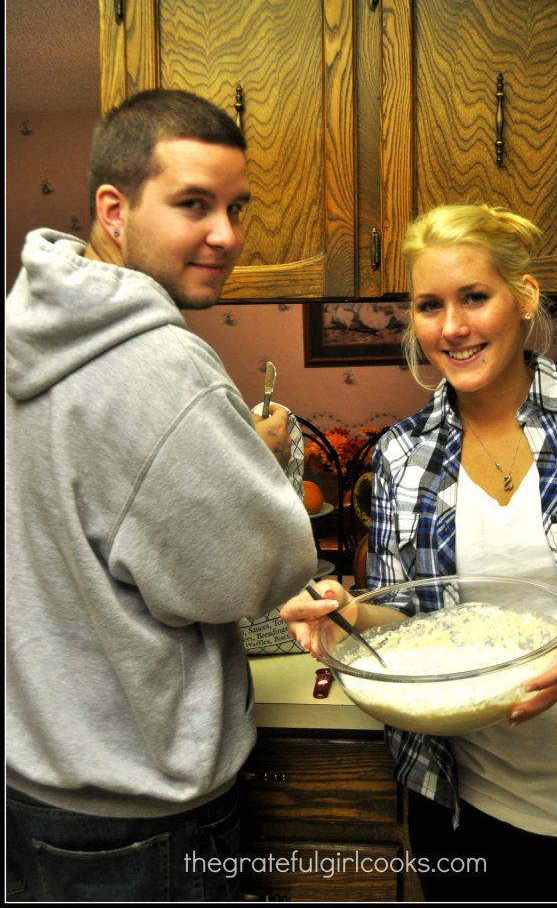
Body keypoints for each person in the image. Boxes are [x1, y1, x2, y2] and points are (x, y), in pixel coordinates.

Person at [6, 89, 318, 902]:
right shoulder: (160, 365)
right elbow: (255, 574)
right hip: (147, 819)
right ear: (115, 208)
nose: (228, 235)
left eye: (236, 206)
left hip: (35, 791)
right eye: (193, 204)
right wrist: (263, 462)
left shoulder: (23, 334)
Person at [281, 204, 557, 902]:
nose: (452, 328)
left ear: (522, 298)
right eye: (429, 305)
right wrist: (344, 613)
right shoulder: (404, 455)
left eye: (474, 297)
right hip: (472, 814)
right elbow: (415, 632)